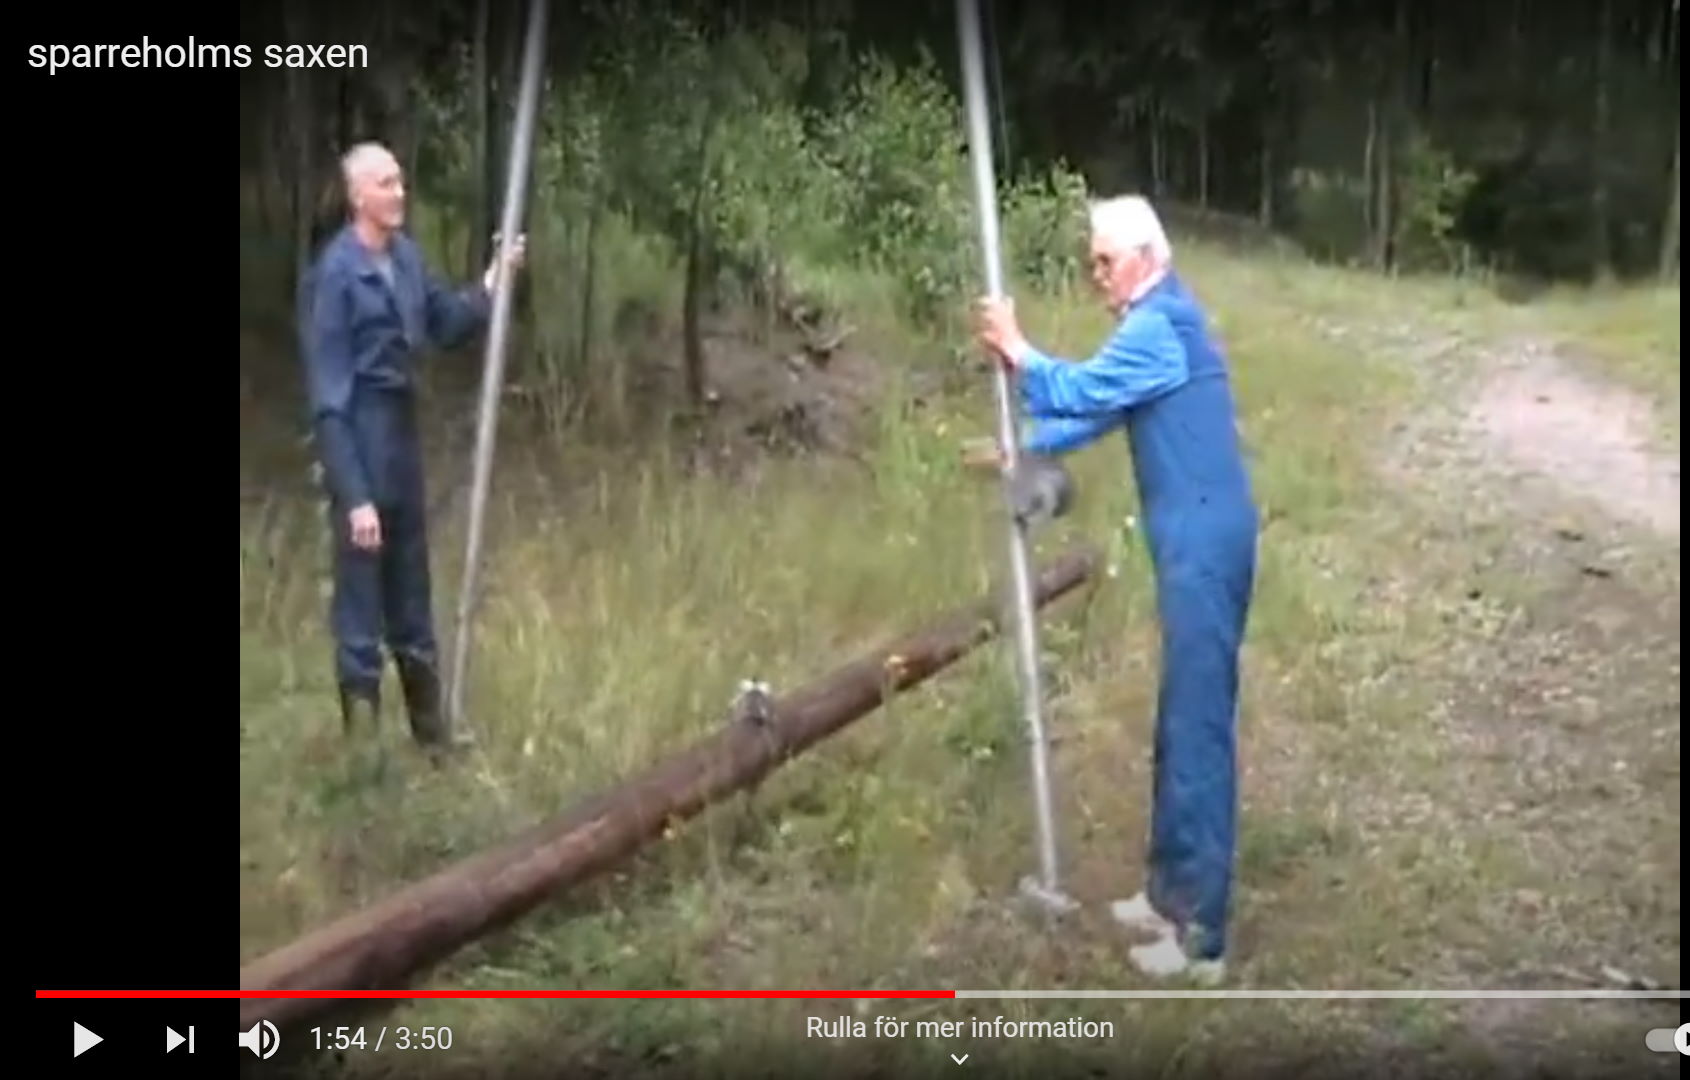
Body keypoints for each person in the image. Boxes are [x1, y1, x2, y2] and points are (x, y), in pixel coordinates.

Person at [971, 195, 1258, 983]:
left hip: (1205, 547)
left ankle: (1201, 939)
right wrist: (1019, 448)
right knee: (1179, 721)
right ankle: (1167, 894)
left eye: (1105, 261)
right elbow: (1094, 411)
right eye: (1092, 261)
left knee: (1198, 730)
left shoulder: (1159, 326)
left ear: (1147, 258)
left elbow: (1080, 389)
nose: (1096, 274)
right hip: (1192, 544)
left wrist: (1017, 349)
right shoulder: (1157, 325)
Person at [300, 141, 526, 751]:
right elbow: (329, 400)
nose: (399, 193)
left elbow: (445, 322)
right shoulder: (334, 276)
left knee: (411, 596)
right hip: (360, 439)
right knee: (360, 603)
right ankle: (362, 755)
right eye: (386, 183)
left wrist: (493, 281)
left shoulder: (405, 258)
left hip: (401, 443)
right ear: (357, 197)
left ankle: (432, 741)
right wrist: (355, 497)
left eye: (401, 181)